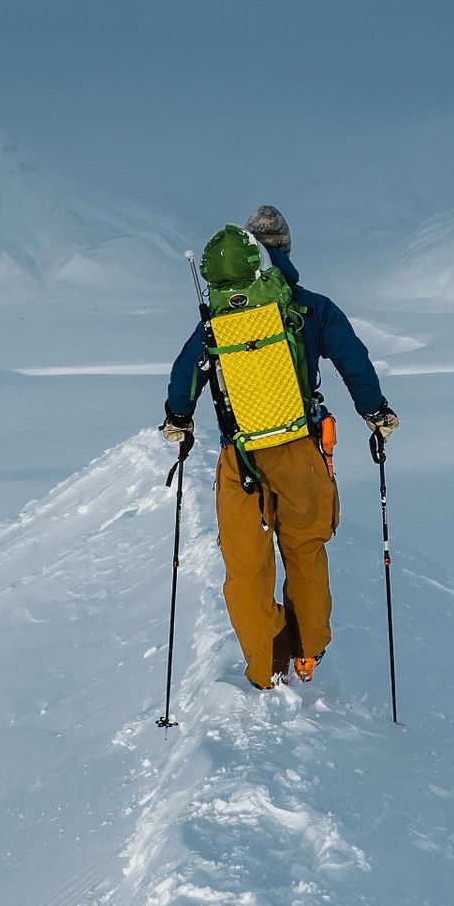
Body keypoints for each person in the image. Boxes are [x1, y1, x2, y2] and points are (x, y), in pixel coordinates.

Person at [160, 205, 396, 690]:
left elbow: (187, 372)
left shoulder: (221, 317)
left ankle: (266, 668)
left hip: (238, 456)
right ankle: (307, 656)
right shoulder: (311, 307)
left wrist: (178, 422)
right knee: (305, 550)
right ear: (283, 253)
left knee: (246, 566)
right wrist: (375, 413)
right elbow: (353, 358)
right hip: (300, 451)